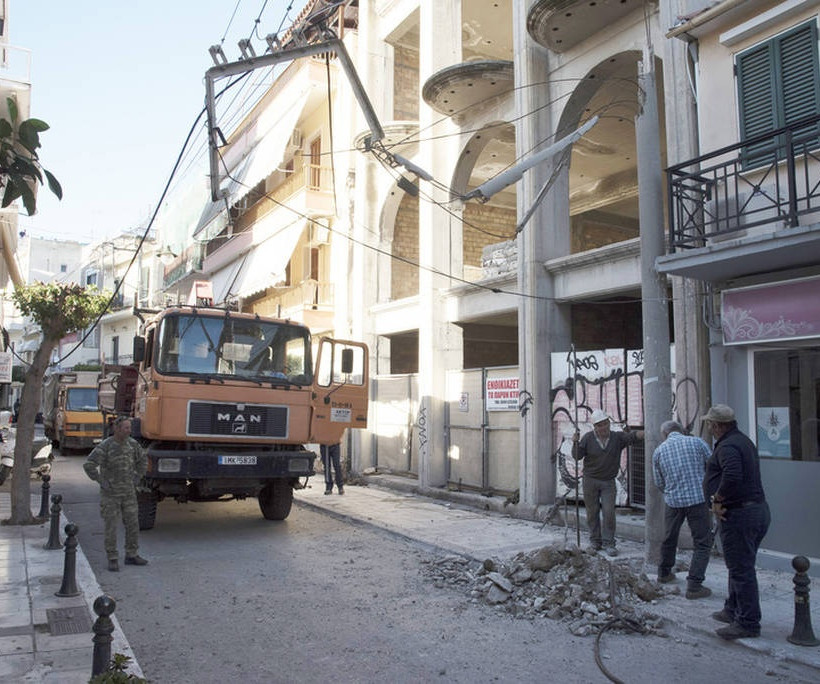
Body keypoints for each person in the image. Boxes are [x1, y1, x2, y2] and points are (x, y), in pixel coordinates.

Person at [702, 404, 770, 640]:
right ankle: (732, 609)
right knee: (739, 564)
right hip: (754, 511)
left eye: (710, 424)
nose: (709, 428)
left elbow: (732, 475)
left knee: (741, 569)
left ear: (717, 425)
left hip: (740, 514)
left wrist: (717, 499)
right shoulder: (742, 441)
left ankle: (748, 622)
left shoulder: (729, 446)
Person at [652, 420, 713, 599]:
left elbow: (659, 482)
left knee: (669, 538)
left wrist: (672, 491)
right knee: (702, 542)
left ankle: (664, 573)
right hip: (697, 500)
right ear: (681, 430)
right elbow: (712, 467)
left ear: (665, 434)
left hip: (674, 501)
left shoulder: (659, 451)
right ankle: (694, 585)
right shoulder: (697, 443)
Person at [573, 409, 644, 556]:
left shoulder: (617, 438)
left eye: (605, 424)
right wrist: (575, 442)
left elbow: (632, 437)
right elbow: (577, 456)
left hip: (608, 481)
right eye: (600, 425)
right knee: (592, 513)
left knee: (609, 512)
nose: (603, 428)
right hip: (590, 480)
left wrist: (645, 432)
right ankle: (595, 541)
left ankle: (609, 543)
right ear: (595, 427)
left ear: (609, 424)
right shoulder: (587, 438)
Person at [83, 416, 149, 572]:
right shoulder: (106, 446)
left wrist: (137, 477)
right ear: (117, 429)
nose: (129, 430)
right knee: (111, 526)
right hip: (110, 494)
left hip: (128, 492)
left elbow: (143, 461)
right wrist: (100, 480)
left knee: (133, 524)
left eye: (129, 428)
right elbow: (89, 465)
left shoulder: (133, 445)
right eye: (126, 428)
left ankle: (131, 554)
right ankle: (112, 557)